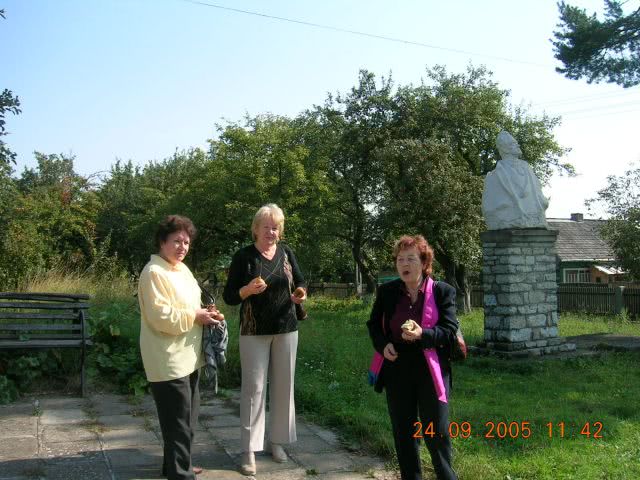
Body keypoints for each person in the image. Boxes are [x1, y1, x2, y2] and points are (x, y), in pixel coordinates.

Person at [223, 203, 307, 476]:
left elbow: (302, 282)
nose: (271, 231)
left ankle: (277, 442)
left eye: (275, 227)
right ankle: (249, 450)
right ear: (256, 229)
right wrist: (247, 289)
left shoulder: (286, 253)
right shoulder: (244, 257)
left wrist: (301, 294)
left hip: (286, 328)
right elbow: (229, 296)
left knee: (284, 387)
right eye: (266, 227)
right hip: (254, 331)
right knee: (253, 391)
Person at [138, 215, 223, 480]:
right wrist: (195, 317)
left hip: (189, 355)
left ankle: (175, 465)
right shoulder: (154, 273)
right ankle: (180, 474)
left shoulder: (182, 270)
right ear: (162, 242)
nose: (182, 247)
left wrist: (209, 314)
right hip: (167, 357)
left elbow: (192, 305)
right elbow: (160, 315)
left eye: (186, 242)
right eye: (176, 241)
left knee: (187, 418)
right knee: (177, 421)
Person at [367, 235, 459, 480]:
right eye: (400, 259)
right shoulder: (387, 292)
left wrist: (423, 334)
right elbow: (374, 325)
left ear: (424, 262)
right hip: (397, 368)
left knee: (436, 433)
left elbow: (449, 331)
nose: (404, 264)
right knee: (404, 434)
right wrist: (383, 344)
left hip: (432, 370)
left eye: (410, 258)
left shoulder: (442, 292)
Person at [482, 130, 549, 230]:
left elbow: (541, 198)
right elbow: (489, 208)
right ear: (505, 149)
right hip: (507, 221)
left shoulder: (528, 169)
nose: (518, 145)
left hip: (536, 218)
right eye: (513, 143)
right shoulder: (493, 177)